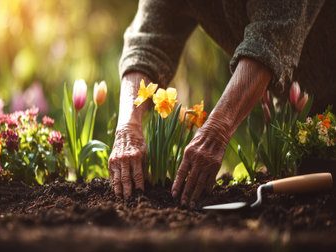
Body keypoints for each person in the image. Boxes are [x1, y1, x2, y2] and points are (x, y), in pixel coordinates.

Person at [108, 0, 335, 207]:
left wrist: (218, 128)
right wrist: (128, 128)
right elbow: (145, 44)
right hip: (305, 114)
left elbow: (269, 41)